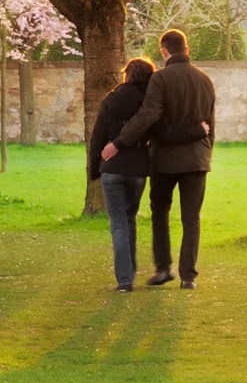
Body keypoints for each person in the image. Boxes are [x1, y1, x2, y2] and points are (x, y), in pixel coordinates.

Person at [102, 29, 216, 288]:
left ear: (164, 51)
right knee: (191, 218)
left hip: (164, 159)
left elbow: (147, 115)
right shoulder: (205, 80)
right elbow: (210, 123)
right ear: (186, 50)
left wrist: (119, 142)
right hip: (197, 159)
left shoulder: (161, 79)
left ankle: (163, 267)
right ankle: (188, 275)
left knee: (160, 212)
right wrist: (207, 151)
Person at [87, 58, 156, 292]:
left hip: (112, 166)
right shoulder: (150, 101)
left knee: (117, 223)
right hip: (137, 167)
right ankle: (131, 272)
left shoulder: (112, 98)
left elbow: (98, 134)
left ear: (127, 74)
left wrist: (94, 167)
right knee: (129, 218)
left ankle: (125, 280)